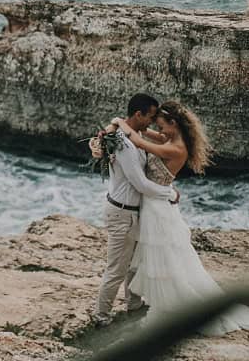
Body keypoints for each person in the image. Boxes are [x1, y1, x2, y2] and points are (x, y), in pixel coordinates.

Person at [110, 100, 249, 340]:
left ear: (174, 124)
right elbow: (144, 132)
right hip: (154, 204)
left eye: (162, 125)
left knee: (166, 258)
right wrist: (112, 132)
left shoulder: (175, 148)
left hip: (158, 208)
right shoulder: (170, 139)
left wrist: (118, 122)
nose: (160, 129)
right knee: (161, 257)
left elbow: (138, 141)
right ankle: (155, 302)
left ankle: (175, 307)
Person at [92, 93, 180, 326]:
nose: (153, 121)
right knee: (117, 269)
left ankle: (134, 303)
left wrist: (115, 121)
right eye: (151, 116)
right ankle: (101, 316)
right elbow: (140, 183)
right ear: (138, 114)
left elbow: (162, 139)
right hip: (122, 212)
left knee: (135, 264)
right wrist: (170, 194)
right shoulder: (125, 145)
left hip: (134, 211)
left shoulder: (137, 134)